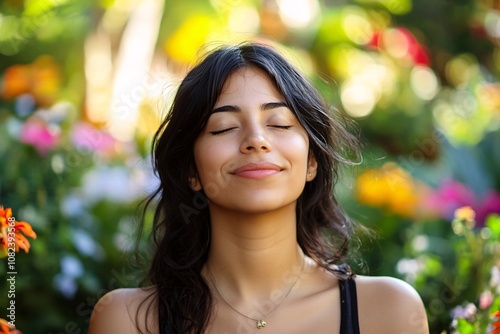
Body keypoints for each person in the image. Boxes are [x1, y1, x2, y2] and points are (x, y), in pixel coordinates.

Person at [88, 42, 429, 334]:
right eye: (223, 128)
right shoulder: (128, 321)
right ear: (191, 169)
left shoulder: (387, 312)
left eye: (279, 123)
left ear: (311, 161)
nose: (256, 141)